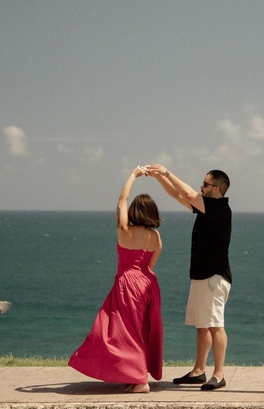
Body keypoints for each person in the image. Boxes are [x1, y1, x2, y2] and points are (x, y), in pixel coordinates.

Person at [68, 167, 163, 394]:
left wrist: (133, 175)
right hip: (147, 284)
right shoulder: (155, 236)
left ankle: (140, 380)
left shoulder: (124, 230)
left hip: (126, 284)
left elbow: (122, 199)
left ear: (133, 211)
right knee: (141, 330)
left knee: (120, 332)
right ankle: (134, 375)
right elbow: (150, 266)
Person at [145, 165, 231, 391]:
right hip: (202, 276)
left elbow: (189, 193)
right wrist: (158, 178)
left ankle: (219, 374)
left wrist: (166, 172)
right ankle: (198, 371)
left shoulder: (219, 207)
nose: (200, 187)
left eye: (205, 184)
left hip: (214, 277)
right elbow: (177, 194)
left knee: (215, 326)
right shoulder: (206, 208)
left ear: (216, 189)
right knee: (203, 326)